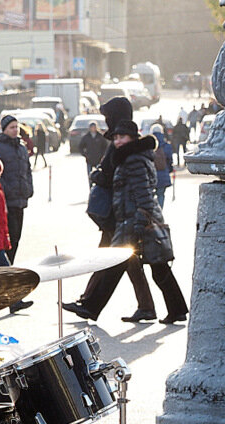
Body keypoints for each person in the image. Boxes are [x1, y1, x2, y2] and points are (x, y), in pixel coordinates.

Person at [61, 97, 155, 323]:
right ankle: (143, 306)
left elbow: (113, 176)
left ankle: (90, 303)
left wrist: (97, 175)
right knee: (125, 260)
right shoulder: (121, 139)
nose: (105, 121)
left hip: (119, 213)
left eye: (107, 116)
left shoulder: (120, 143)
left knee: (109, 258)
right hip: (118, 212)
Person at [109, 119, 188, 324]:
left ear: (133, 138)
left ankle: (174, 309)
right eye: (115, 138)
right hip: (137, 219)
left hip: (140, 220)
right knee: (151, 265)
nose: (117, 141)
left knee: (158, 266)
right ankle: (164, 309)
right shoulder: (131, 156)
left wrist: (138, 223)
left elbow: (143, 193)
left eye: (122, 137)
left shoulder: (133, 159)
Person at [0, 115, 34, 267]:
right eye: (11, 127)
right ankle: (4, 269)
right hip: (5, 201)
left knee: (16, 238)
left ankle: (8, 267)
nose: (15, 130)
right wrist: (6, 190)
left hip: (20, 199)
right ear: (4, 129)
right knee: (7, 238)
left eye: (16, 127)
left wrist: (29, 188)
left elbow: (27, 170)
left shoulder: (21, 146)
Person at [150, 123, 174, 209]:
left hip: (150, 175)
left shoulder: (148, 145)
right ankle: (160, 212)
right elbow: (170, 160)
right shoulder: (166, 146)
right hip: (163, 173)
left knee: (150, 196)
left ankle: (152, 213)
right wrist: (170, 169)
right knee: (161, 195)